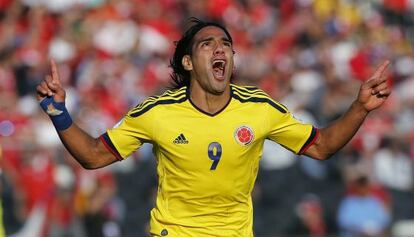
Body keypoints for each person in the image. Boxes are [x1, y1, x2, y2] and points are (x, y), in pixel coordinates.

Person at [36, 18, 391, 237]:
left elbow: (321, 146)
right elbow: (94, 156)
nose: (221, 49)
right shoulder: (157, 111)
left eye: (227, 45)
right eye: (208, 44)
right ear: (189, 62)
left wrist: (360, 108)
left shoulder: (259, 107)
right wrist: (58, 113)